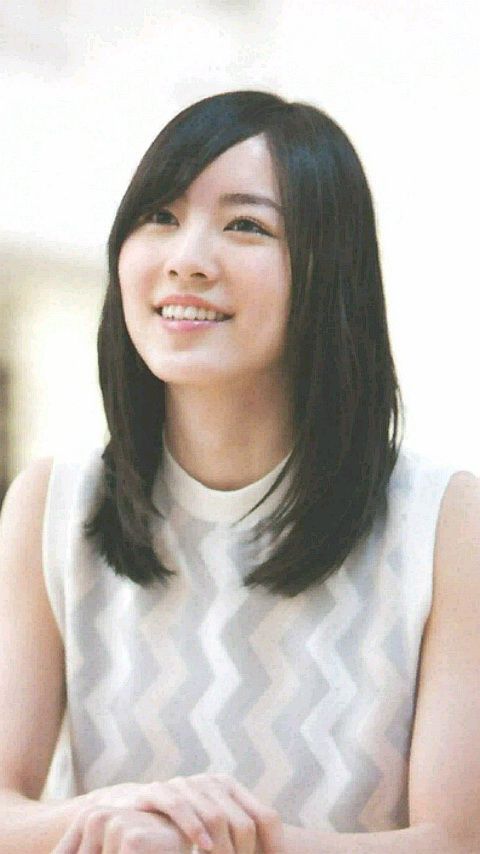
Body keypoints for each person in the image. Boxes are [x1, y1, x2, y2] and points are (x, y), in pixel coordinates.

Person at [0, 89, 479, 854]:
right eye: (159, 216)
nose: (186, 259)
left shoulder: (442, 519)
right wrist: (117, 814)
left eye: (246, 225)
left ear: (329, 269)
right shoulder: (54, 503)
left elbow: (455, 842)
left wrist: (219, 840)